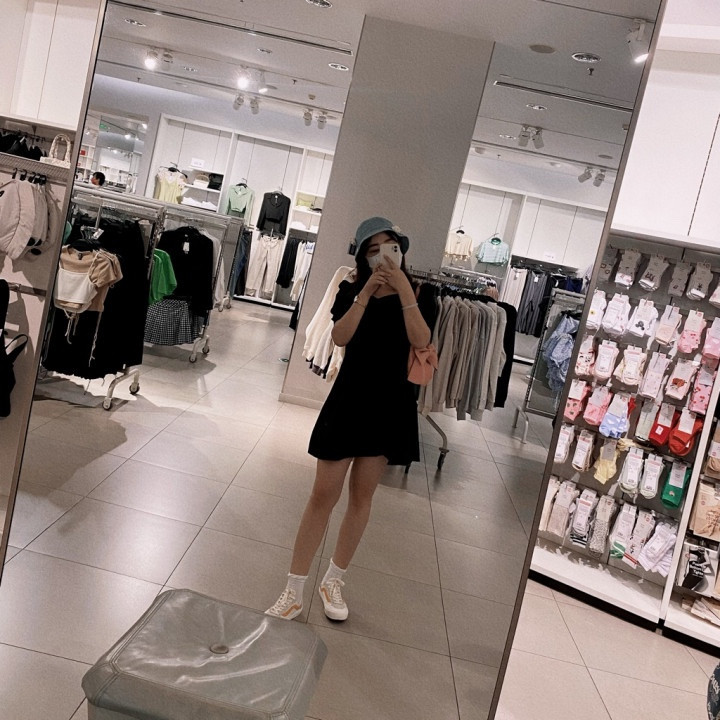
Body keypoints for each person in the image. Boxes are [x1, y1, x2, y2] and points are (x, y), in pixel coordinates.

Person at [266, 216, 431, 622]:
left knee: (362, 497)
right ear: (363, 256)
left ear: (401, 250)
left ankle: (333, 580)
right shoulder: (350, 287)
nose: (383, 256)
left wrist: (403, 290)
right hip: (350, 399)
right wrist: (365, 293)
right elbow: (340, 337)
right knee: (323, 494)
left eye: (390, 247)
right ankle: (293, 590)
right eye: (373, 250)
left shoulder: (421, 293)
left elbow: (421, 340)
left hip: (390, 405)